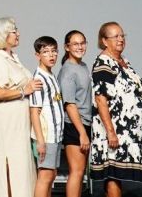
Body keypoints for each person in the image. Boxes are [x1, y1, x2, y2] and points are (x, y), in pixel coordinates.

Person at [92, 22, 142, 197]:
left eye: (122, 36)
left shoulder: (124, 61)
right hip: (114, 132)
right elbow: (101, 99)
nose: (120, 39)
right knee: (113, 175)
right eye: (115, 36)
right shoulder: (104, 62)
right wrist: (110, 131)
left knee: (116, 176)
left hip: (129, 133)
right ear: (104, 41)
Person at [0, 17, 40, 197]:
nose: (18, 34)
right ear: (4, 35)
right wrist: (25, 90)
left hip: (17, 125)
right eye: (14, 31)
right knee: (7, 165)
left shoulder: (12, 57)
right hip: (4, 125)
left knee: (21, 166)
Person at [59, 30, 94, 197]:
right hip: (73, 125)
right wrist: (82, 133)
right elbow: (70, 105)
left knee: (80, 173)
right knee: (77, 171)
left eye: (82, 43)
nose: (80, 47)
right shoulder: (68, 71)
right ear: (67, 47)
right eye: (75, 44)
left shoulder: (83, 66)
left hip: (85, 123)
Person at [30, 36, 64, 197]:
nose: (51, 55)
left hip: (55, 136)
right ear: (38, 55)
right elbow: (34, 112)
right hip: (46, 136)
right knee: (45, 175)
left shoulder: (51, 75)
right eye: (46, 52)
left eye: (54, 51)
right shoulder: (39, 79)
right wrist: (41, 140)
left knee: (51, 174)